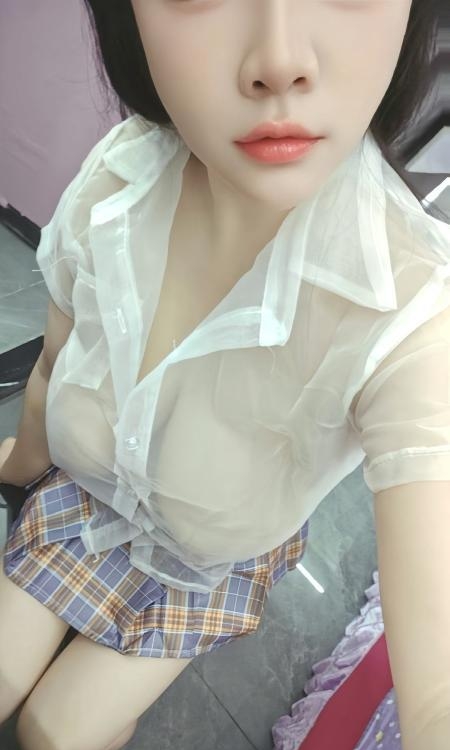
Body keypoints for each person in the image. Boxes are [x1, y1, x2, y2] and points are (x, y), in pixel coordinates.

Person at [1, 1, 449, 749]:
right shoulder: (118, 175)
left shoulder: (414, 312)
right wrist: (19, 463)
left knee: (57, 731)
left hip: (202, 565)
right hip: (83, 493)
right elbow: (53, 364)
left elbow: (436, 678)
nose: (280, 60)